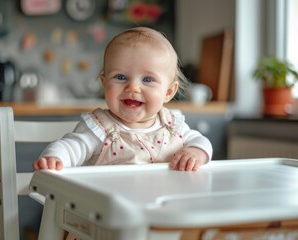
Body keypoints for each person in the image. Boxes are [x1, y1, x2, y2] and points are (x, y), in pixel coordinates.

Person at [33, 27, 213, 172]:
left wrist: (195, 153)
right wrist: (55, 158)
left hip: (161, 210)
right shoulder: (99, 128)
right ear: (104, 83)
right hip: (107, 213)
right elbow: (71, 147)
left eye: (147, 80)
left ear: (168, 92)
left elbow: (202, 142)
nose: (132, 87)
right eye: (120, 77)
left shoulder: (173, 126)